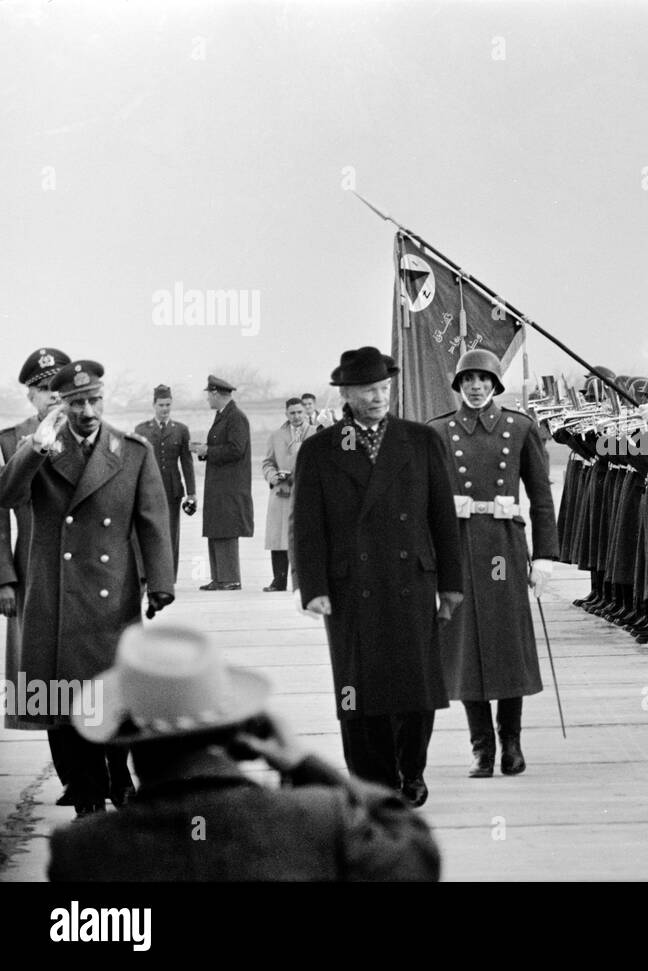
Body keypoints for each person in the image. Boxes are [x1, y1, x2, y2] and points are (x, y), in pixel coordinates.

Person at [47, 622, 442, 881]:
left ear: (124, 739)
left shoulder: (82, 855)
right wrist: (305, 763)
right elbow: (417, 858)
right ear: (237, 728)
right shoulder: (319, 820)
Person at [0, 359, 174, 816]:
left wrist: (160, 583)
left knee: (112, 698)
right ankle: (87, 796)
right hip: (54, 595)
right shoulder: (38, 448)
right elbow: (8, 497)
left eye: (95, 399)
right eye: (77, 402)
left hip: (110, 595)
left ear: (103, 398)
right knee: (60, 703)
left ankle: (119, 779)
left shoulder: (132, 451)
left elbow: (152, 520)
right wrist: (35, 450)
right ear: (63, 404)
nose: (88, 410)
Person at [292, 346, 464, 806]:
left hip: (412, 580)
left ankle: (413, 770)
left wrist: (451, 585)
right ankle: (372, 780)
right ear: (347, 393)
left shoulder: (421, 441)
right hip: (351, 589)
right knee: (357, 690)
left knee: (416, 686)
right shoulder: (320, 450)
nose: (377, 397)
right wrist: (313, 589)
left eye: (384, 388)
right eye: (368, 389)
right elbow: (307, 528)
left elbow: (442, 519)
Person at [429, 349, 558, 778]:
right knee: (466, 648)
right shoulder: (440, 432)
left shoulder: (519, 429)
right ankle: (481, 748)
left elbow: (541, 498)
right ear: (459, 385)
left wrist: (544, 557)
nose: (476, 387)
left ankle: (512, 744)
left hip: (504, 546)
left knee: (505, 644)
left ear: (496, 384)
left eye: (483, 379)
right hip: (460, 548)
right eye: (468, 380)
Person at [1, 346, 71, 732]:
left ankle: (108, 772)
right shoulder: (11, 441)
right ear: (30, 395)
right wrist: (5, 579)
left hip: (86, 567)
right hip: (33, 567)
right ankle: (71, 777)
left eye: (59, 385)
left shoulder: (92, 434)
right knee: (42, 667)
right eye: (44, 388)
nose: (54, 394)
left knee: (89, 665)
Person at [193, 374, 252, 590]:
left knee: (226, 529)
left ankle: (230, 578)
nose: (207, 399)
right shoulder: (223, 416)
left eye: (209, 394)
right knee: (216, 528)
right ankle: (220, 577)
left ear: (216, 393)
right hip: (219, 485)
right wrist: (205, 451)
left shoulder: (236, 417)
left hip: (229, 486)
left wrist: (208, 450)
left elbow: (237, 449)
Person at [134, 384, 197, 582]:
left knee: (171, 534)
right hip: (148, 489)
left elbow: (187, 462)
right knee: (149, 531)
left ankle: (169, 577)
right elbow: (135, 461)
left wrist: (191, 492)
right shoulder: (141, 429)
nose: (165, 409)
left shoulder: (180, 430)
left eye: (168, 404)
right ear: (154, 405)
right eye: (161, 405)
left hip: (172, 489)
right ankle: (149, 575)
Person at [261, 396, 315, 592]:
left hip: (305, 490)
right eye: (292, 413)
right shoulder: (276, 436)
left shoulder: (316, 433)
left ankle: (304, 582)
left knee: (305, 537)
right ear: (286, 414)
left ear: (305, 412)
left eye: (299, 412)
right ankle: (279, 580)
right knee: (278, 536)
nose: (296, 416)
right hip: (281, 491)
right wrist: (272, 476)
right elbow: (267, 462)